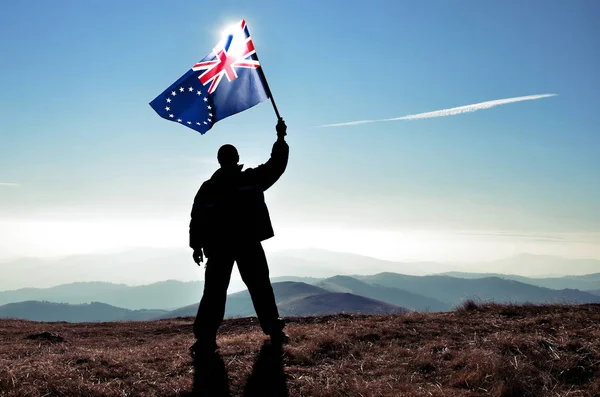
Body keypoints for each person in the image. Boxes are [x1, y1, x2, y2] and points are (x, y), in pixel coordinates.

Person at [189, 119, 289, 356]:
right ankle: (274, 331)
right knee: (257, 288)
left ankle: (206, 339)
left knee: (218, 292)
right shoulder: (248, 180)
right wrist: (281, 139)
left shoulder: (211, 187)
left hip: (223, 246)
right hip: (244, 243)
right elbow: (275, 166)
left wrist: (196, 246)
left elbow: (197, 218)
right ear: (234, 158)